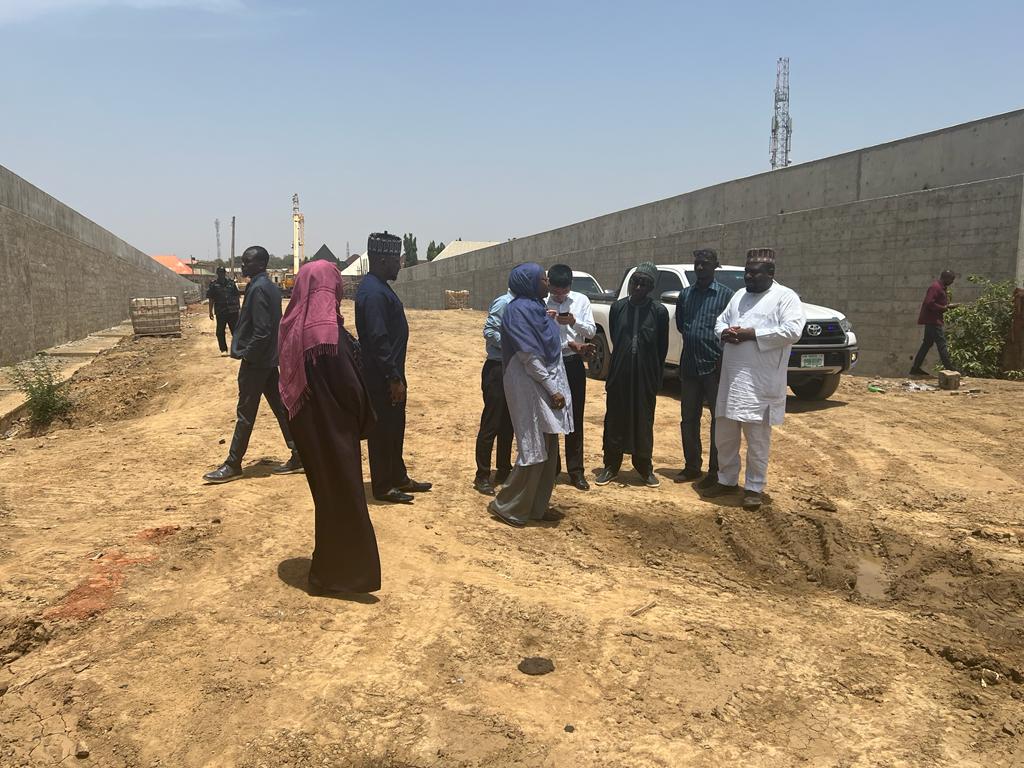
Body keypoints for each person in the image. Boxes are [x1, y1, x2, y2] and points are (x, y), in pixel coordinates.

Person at [278, 259, 380, 595]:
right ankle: (340, 576)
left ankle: (328, 568)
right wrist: (366, 415)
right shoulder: (327, 334)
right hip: (335, 430)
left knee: (328, 497)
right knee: (345, 497)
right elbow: (349, 388)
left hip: (310, 430)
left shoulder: (295, 325)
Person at [703, 247, 805, 510]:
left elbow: (793, 330)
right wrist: (724, 332)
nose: (748, 277)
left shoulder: (785, 297)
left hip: (760, 386)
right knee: (725, 435)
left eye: (754, 273)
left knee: (757, 440)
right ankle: (726, 480)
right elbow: (720, 321)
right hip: (731, 380)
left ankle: (754, 487)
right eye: (746, 272)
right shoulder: (739, 296)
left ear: (770, 273)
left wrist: (751, 334)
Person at [203, 246, 303, 483]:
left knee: (245, 413)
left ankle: (233, 463)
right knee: (281, 408)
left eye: (247, 262)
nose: (243, 266)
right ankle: (299, 453)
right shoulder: (268, 286)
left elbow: (262, 330)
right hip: (268, 360)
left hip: (257, 361)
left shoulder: (258, 289)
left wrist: (247, 355)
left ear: (260, 264)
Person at [488, 263, 573, 528]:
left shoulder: (536, 308)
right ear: (529, 282)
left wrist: (573, 346)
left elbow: (547, 347)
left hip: (544, 383)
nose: (547, 283)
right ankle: (509, 506)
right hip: (528, 384)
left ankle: (536, 506)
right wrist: (553, 389)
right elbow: (529, 356)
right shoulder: (517, 311)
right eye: (543, 279)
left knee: (548, 445)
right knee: (533, 446)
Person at [355, 231, 431, 504]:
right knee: (382, 431)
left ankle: (398, 477)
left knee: (395, 427)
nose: (399, 264)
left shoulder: (379, 286)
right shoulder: (373, 292)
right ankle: (383, 486)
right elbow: (378, 339)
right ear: (381, 260)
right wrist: (392, 377)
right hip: (382, 378)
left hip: (391, 373)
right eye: (395, 260)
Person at [595, 262, 669, 488]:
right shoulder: (617, 308)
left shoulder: (659, 311)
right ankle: (611, 465)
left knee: (643, 419)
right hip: (620, 372)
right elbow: (616, 339)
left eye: (644, 284)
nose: (638, 287)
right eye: (635, 282)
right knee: (616, 417)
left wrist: (655, 377)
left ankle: (644, 466)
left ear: (651, 288)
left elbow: (661, 348)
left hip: (645, 374)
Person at [674, 249, 734, 490]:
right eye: (697, 264)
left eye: (705, 264)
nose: (700, 268)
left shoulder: (726, 296)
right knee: (688, 419)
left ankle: (714, 470)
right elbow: (681, 325)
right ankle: (692, 466)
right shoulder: (685, 295)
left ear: (715, 266)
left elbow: (729, 329)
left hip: (714, 367)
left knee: (718, 421)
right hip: (689, 366)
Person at [546, 264, 596, 491]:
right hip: (551, 365)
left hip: (574, 364)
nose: (559, 295)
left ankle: (576, 471)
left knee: (575, 416)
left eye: (563, 291)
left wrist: (574, 322)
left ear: (570, 286)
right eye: (555, 291)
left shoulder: (581, 301)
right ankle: (552, 469)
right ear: (549, 285)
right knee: (552, 415)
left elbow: (591, 332)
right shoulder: (542, 303)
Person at [473, 289, 515, 496]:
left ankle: (504, 469)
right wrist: (512, 345)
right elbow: (489, 332)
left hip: (514, 370)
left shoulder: (524, 303)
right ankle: (482, 475)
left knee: (508, 423)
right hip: (497, 368)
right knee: (491, 423)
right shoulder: (504, 303)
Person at [910, 270, 959, 375]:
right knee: (942, 344)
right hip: (933, 320)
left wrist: (947, 307)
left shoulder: (940, 288)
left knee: (927, 344)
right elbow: (928, 303)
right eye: (951, 279)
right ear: (946, 277)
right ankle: (950, 369)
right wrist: (944, 308)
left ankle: (915, 368)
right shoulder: (935, 287)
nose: (952, 282)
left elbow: (935, 302)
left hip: (932, 320)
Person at [206, 266, 241, 354]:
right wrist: (210, 311)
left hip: (232, 311)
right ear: (217, 274)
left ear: (225, 273)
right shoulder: (213, 285)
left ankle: (237, 348)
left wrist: (239, 309)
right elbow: (211, 299)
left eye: (223, 273)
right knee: (220, 331)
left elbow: (237, 296)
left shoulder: (231, 283)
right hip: (220, 311)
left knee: (235, 331)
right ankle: (223, 349)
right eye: (220, 273)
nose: (221, 275)